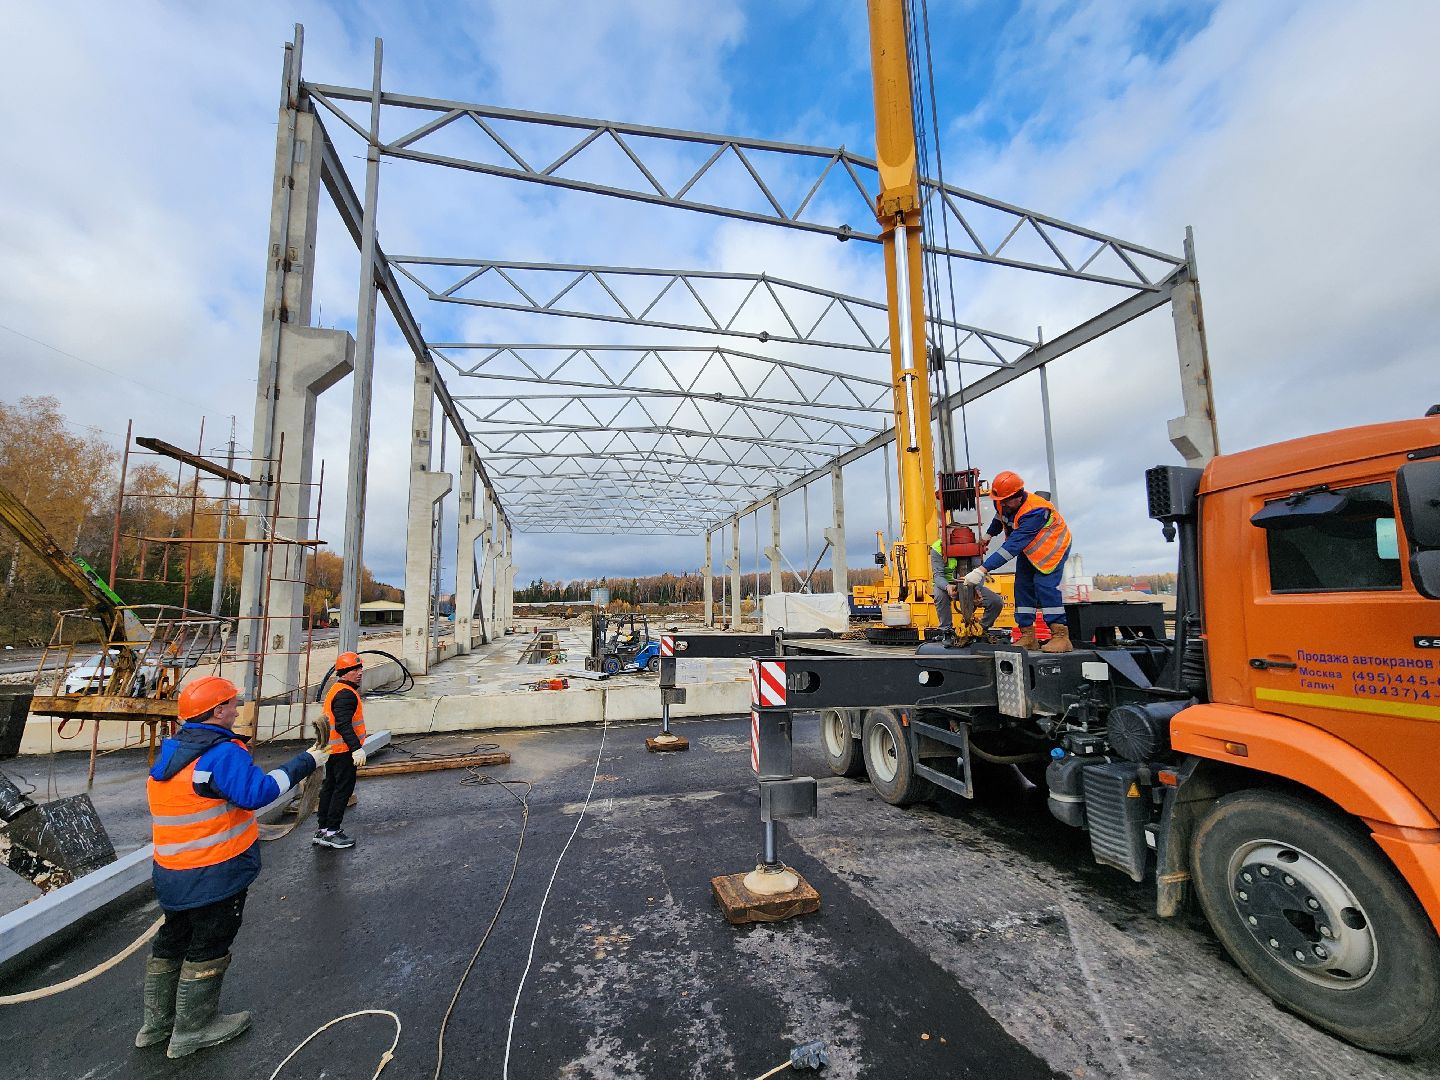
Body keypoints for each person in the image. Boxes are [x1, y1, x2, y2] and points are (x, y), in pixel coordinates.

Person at [138, 676, 328, 1058]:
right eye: (232, 703)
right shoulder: (222, 753)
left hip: (172, 873)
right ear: (216, 711)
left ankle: (156, 1026)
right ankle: (193, 1030)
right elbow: (257, 793)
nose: (237, 708)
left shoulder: (174, 751)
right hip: (214, 873)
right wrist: (308, 761)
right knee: (209, 942)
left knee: (173, 939)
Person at [964, 470, 1073, 653]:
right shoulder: (1002, 501)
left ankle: (1060, 637)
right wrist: (989, 535)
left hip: (1051, 549)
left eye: (1006, 501)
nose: (1002, 504)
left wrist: (981, 570)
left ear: (1018, 496)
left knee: (1044, 587)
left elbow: (1011, 547)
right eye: (1000, 501)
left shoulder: (1036, 511)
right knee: (1022, 587)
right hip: (1030, 549)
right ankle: (1028, 636)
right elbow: (1000, 517)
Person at [314, 651, 367, 850]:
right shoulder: (346, 694)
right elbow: (343, 724)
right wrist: (356, 749)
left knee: (330, 787)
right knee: (341, 789)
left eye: (360, 668)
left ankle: (323, 830)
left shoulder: (338, 689)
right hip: (343, 751)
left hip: (334, 749)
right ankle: (332, 831)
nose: (359, 672)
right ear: (344, 672)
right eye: (355, 669)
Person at [930, 535, 1003, 639]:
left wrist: (977, 589)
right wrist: (947, 587)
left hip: (970, 583)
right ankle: (946, 631)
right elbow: (938, 576)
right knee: (940, 596)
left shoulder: (974, 546)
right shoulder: (937, 548)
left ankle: (980, 629)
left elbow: (979, 571)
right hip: (947, 584)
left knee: (996, 602)